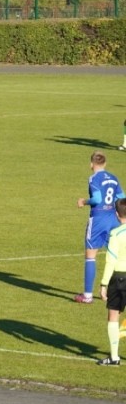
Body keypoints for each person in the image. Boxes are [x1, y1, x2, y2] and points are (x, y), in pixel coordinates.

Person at [75, 150, 124, 303]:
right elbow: (121, 198)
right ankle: (111, 292)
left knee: (91, 256)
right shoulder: (114, 178)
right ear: (105, 163)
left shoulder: (94, 178)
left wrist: (84, 202)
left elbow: (97, 198)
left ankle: (87, 296)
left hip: (98, 219)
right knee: (114, 255)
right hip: (113, 219)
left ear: (91, 164)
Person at [97, 198, 126, 365]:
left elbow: (111, 261)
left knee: (113, 316)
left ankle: (114, 357)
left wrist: (103, 284)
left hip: (120, 278)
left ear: (117, 215)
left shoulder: (115, 234)